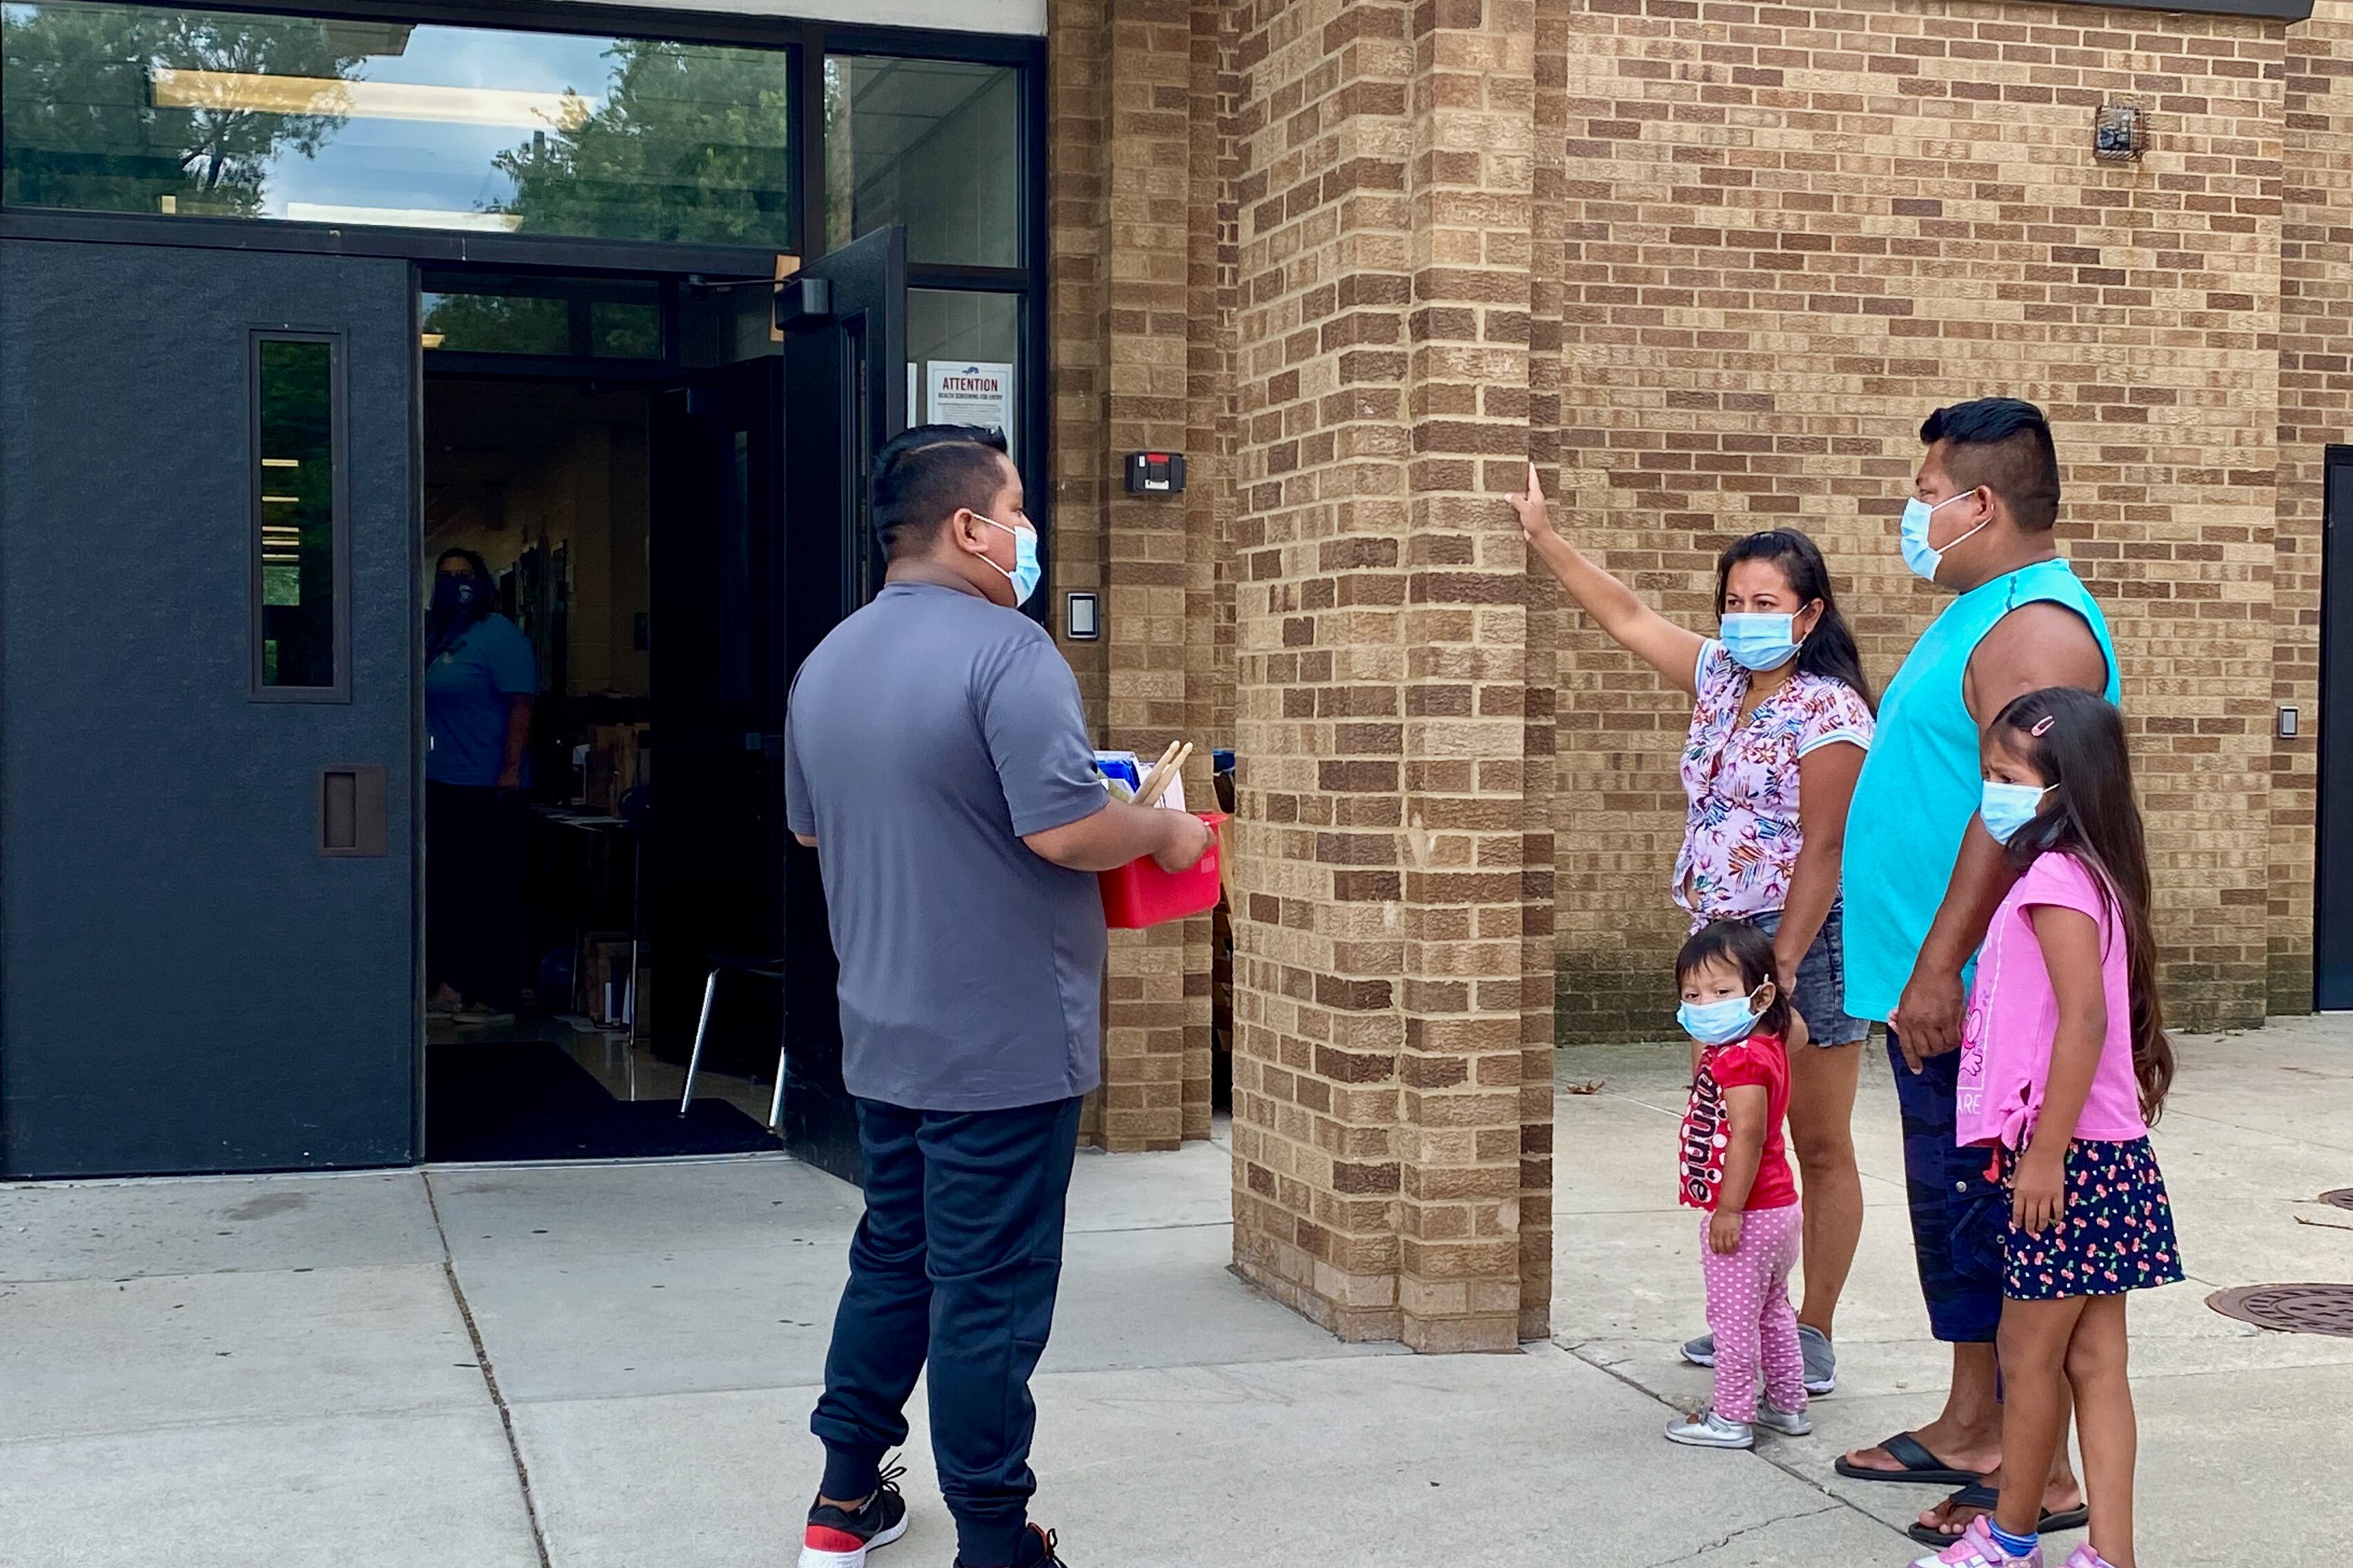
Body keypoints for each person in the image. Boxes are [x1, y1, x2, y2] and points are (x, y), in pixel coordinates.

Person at [783, 425, 1211, 1568]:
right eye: (1016, 508)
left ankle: (844, 1496)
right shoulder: (1010, 652)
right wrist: (1167, 827)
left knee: (894, 1257)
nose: (1027, 530)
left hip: (883, 1026)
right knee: (988, 1291)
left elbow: (813, 823)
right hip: (1006, 1037)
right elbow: (1066, 825)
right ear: (971, 527)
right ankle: (993, 1534)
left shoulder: (827, 662)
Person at [1510, 467, 1873, 1393]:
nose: (1745, 614)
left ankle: (1812, 1326)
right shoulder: (1718, 673)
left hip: (1799, 945)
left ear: (1807, 614)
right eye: (1733, 599)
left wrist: (1781, 970)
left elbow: (1825, 850)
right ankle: (1748, 1313)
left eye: (1766, 601)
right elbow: (1628, 616)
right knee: (1732, 1130)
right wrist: (1544, 539)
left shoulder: (1828, 711)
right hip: (1718, 946)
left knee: (1815, 1140)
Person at [1836, 399, 2117, 1545]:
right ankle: (1971, 1422)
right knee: (1954, 1215)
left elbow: (2016, 816)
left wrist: (1943, 964)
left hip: (1980, 992)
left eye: (1925, 490)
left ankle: (2035, 1473)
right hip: (1926, 981)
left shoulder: (2037, 629)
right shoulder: (1976, 610)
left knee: (2005, 1226)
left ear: (1981, 504)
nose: (1914, 511)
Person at [1909, 688, 2179, 1568]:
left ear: (2063, 789)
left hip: (2062, 1164)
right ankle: (2111, 1552)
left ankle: (2008, 1538)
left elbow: (2082, 1023)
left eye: (2006, 776)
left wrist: (2044, 1156)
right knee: (2095, 1364)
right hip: (2107, 1155)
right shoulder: (2090, 874)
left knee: (2026, 1365)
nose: (1991, 793)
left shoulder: (2056, 880)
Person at [1664, 919, 1814, 1451]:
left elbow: (1747, 1134)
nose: (1705, 1004)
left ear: (1760, 995)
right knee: (1773, 1310)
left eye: (1722, 991)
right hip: (1778, 1210)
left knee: (1732, 1321)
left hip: (1748, 1214)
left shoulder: (1741, 1059)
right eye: (1692, 994)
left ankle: (1730, 1415)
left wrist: (1727, 1210)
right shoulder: (1764, 1045)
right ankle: (1788, 1404)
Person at [424, 547, 535, 1028]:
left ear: (483, 581)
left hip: (488, 785)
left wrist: (509, 768)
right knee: (449, 890)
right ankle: (451, 985)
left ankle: (496, 993)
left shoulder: (499, 636)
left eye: (464, 575)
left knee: (487, 890)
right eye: (446, 576)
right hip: (443, 780)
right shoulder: (443, 636)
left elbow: (522, 703)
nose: (455, 584)